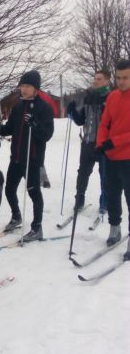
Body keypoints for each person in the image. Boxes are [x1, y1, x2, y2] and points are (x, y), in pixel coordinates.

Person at [0, 70, 54, 241]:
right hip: (16, 157)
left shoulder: (44, 108)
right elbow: (9, 129)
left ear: (36, 88)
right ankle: (16, 216)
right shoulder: (17, 106)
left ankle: (37, 228)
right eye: (22, 86)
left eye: (27, 86)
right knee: (9, 190)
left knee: (34, 193)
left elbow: (47, 134)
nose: (23, 89)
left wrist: (34, 125)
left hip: (32, 159)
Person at [96, 60, 130, 258]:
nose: (121, 81)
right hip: (111, 157)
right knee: (112, 195)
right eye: (118, 77)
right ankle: (115, 228)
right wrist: (101, 143)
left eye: (125, 78)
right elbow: (104, 123)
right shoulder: (113, 97)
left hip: (128, 158)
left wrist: (113, 141)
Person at [67, 68, 112, 214]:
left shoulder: (111, 97)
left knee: (105, 174)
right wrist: (72, 111)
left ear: (107, 80)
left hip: (104, 144)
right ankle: (79, 199)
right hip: (87, 142)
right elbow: (80, 121)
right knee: (83, 173)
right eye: (95, 78)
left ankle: (104, 202)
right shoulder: (88, 97)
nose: (95, 81)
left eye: (99, 79)